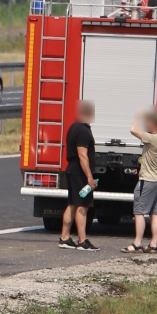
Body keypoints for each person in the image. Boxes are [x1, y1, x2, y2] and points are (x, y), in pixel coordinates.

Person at [127, 106, 157, 253]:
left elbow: (133, 130)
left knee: (139, 212)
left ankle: (137, 243)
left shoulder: (152, 139)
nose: (146, 124)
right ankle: (153, 245)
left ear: (154, 124)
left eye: (148, 122)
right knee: (154, 214)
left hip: (147, 180)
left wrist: (138, 116)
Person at [60, 101, 98, 250]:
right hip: (79, 173)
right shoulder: (83, 131)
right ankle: (82, 241)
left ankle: (65, 237)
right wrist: (89, 177)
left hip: (72, 171)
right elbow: (83, 155)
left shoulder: (74, 127)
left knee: (73, 204)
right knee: (83, 206)